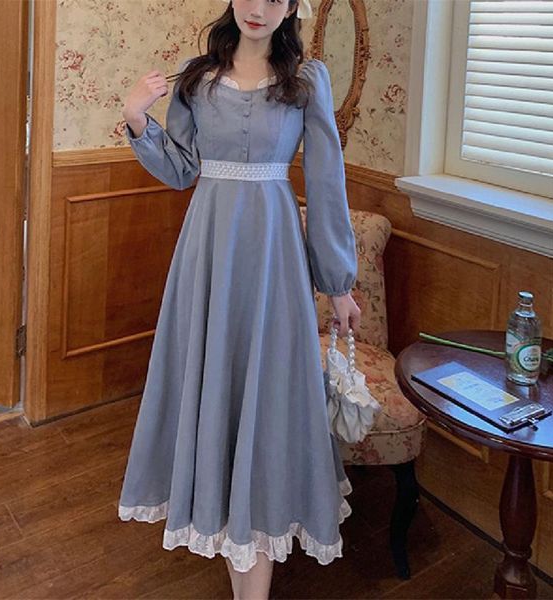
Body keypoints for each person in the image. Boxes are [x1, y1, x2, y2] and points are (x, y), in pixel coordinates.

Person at [118, 0, 361, 598]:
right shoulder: (197, 77)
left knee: (268, 392)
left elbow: (326, 179)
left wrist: (338, 284)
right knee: (213, 388)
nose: (258, 8)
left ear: (292, 6)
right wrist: (136, 117)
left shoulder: (307, 80)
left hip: (276, 258)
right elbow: (181, 170)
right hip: (207, 256)